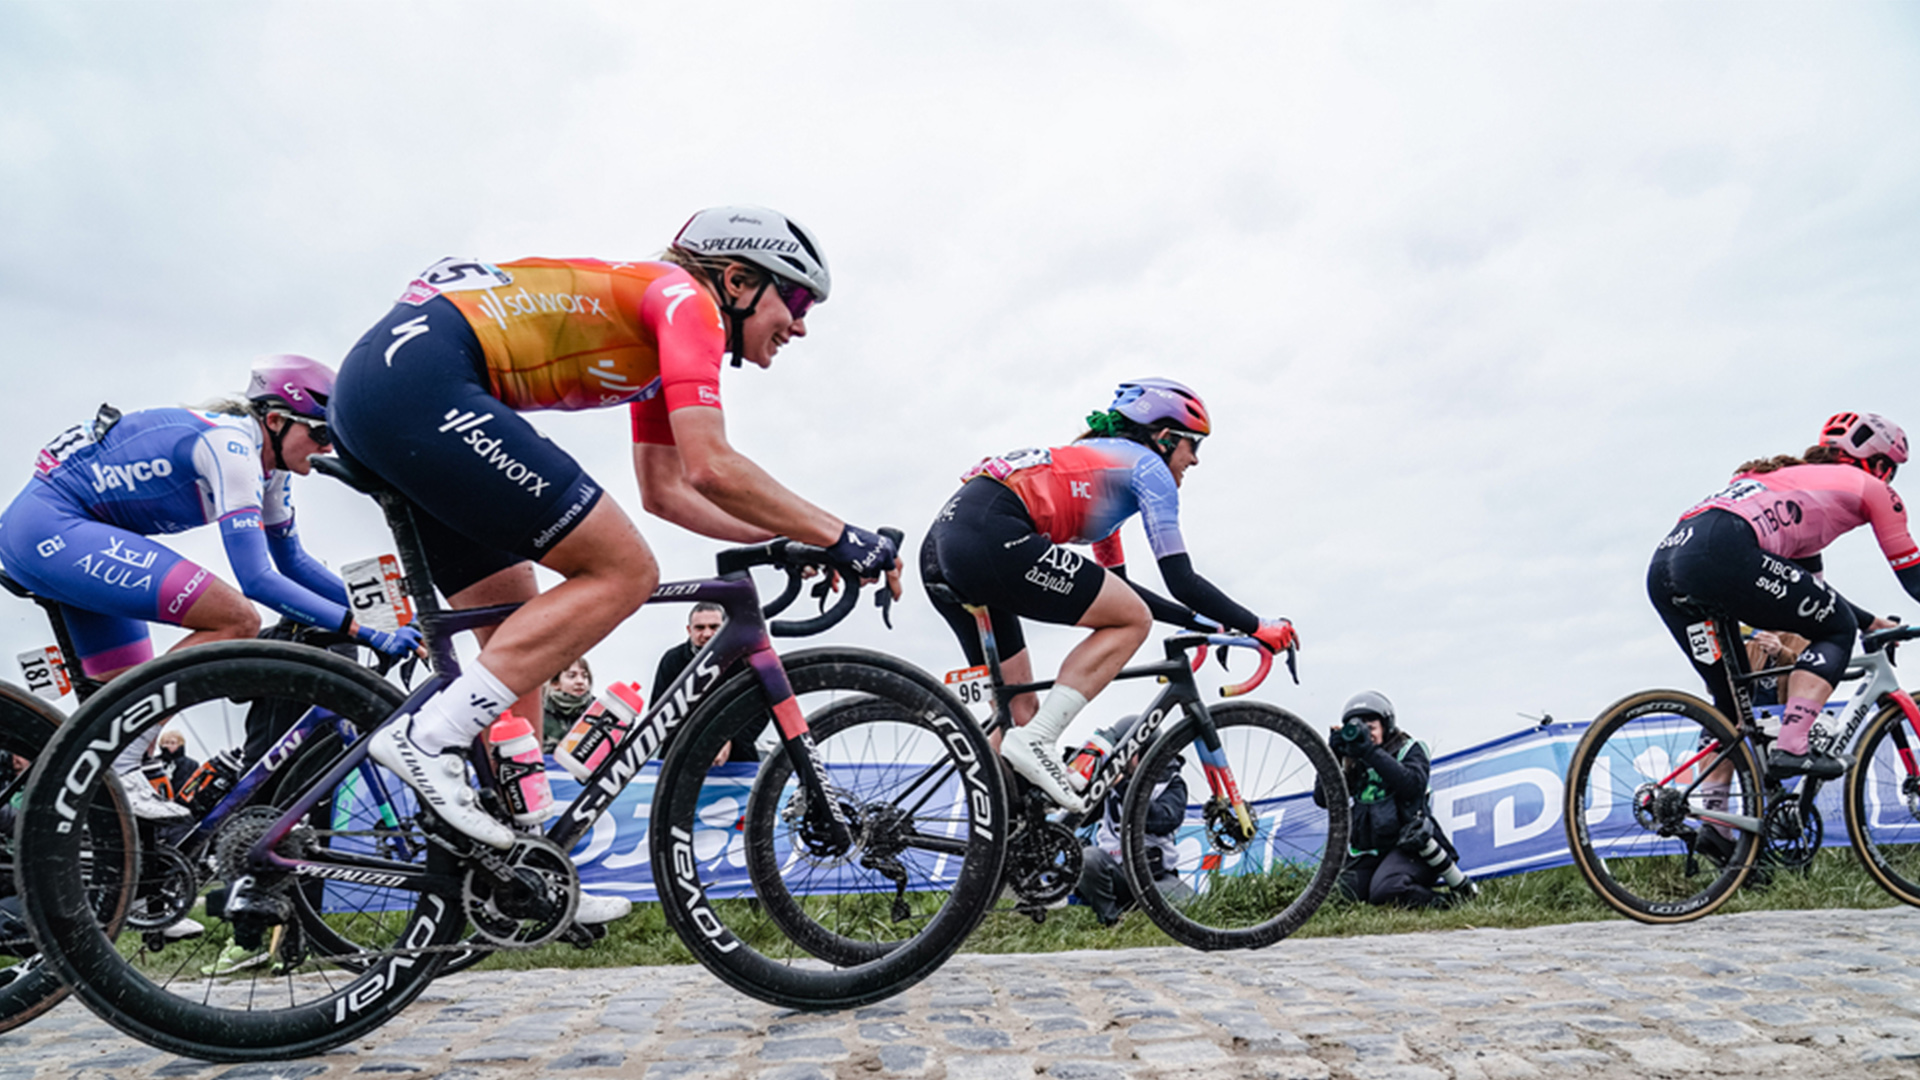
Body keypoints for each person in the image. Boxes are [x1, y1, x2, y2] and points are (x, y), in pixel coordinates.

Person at [327, 208, 901, 932]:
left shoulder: (652, 321)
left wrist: (790, 539)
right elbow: (714, 466)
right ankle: (426, 740)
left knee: (526, 638)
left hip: (392, 391)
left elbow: (668, 491)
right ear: (737, 279)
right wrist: (842, 534)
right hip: (421, 385)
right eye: (794, 301)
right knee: (623, 572)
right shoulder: (688, 303)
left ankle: (525, 871)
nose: (801, 325)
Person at [0, 356, 422, 821]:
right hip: (50, 527)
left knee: (124, 704)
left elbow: (293, 562)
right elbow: (258, 580)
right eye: (319, 433)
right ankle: (115, 768)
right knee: (236, 620)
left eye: (334, 438)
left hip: (74, 531)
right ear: (277, 421)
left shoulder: (272, 472)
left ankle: (62, 824)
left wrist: (388, 621)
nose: (326, 448)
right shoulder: (232, 449)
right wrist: (366, 631)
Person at [921, 378, 1298, 813]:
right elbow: (1179, 581)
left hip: (947, 542)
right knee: (1130, 625)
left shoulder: (1105, 475)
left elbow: (1120, 591)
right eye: (1193, 445)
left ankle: (991, 847)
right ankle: (1039, 740)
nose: (1194, 460)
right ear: (1165, 438)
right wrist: (1257, 626)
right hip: (989, 535)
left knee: (1019, 710)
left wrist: (1206, 625)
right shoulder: (1149, 471)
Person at [1648, 412, 1920, 779]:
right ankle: (1793, 746)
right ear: (1879, 464)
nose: (1888, 479)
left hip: (1668, 563)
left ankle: (1720, 827)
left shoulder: (1791, 487)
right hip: (1724, 552)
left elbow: (1815, 595)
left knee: (1729, 705)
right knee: (1836, 629)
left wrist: (1871, 622)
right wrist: (1856, 625)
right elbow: (1913, 577)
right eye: (1890, 470)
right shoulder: (1870, 487)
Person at [1312, 691, 1470, 908]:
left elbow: (1412, 786)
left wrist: (1370, 751)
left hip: (1412, 846)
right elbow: (1323, 799)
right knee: (1342, 897)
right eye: (1358, 726)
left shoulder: (1410, 749)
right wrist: (1332, 755)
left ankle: (1452, 902)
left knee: (1387, 891)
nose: (1366, 732)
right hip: (1370, 850)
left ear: (1386, 726)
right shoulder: (1353, 760)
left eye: (1371, 726)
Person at [1072, 714, 1192, 926]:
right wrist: (1085, 783)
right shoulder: (1107, 783)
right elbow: (1081, 818)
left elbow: (1164, 820)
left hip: (1156, 878)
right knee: (1087, 858)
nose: (1122, 759)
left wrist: (1122, 787)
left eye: (1128, 752)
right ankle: (1111, 919)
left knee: (1189, 905)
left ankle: (1138, 915)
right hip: (1115, 873)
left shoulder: (1171, 783)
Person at [653, 602, 759, 765]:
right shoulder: (672, 661)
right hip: (678, 759)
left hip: (737, 760)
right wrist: (695, 743)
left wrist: (732, 740)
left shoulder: (745, 660)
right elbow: (659, 712)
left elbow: (760, 710)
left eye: (714, 626)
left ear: (725, 628)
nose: (707, 633)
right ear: (689, 630)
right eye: (700, 627)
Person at [542, 657, 594, 751]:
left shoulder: (597, 710)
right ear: (555, 683)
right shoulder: (541, 711)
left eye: (585, 676)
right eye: (571, 676)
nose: (580, 681)